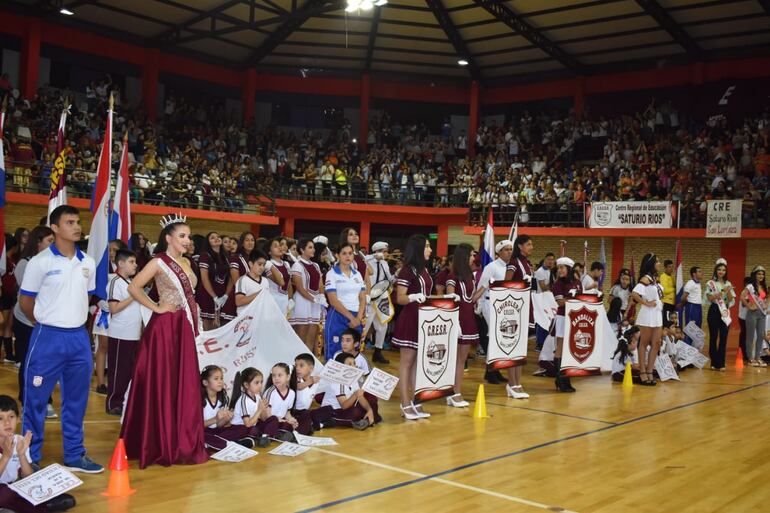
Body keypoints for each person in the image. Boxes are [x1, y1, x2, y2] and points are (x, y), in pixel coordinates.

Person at [18, 205, 103, 472]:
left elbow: (86, 297)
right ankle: (29, 457)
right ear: (54, 228)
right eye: (69, 222)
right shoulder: (39, 262)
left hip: (78, 338)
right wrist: (44, 322)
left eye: (78, 222)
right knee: (36, 401)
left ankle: (75, 455)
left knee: (76, 401)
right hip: (48, 337)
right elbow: (25, 301)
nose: (77, 227)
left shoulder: (87, 262)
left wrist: (72, 321)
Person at [121, 214, 209, 468]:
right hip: (165, 329)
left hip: (184, 326)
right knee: (162, 382)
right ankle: (157, 441)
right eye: (182, 236)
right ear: (168, 238)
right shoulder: (159, 262)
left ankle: (179, 439)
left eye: (189, 236)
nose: (187, 240)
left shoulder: (188, 263)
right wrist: (157, 307)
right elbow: (134, 287)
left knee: (182, 383)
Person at [0, 395, 76, 513]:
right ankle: (45, 506)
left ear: (18, 419)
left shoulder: (19, 440)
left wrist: (21, 455)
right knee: (5, 495)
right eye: (0, 418)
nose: (7, 422)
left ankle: (38, 502)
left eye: (11, 416)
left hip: (11, 486)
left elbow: (27, 476)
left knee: (33, 483)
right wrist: (5, 457)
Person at [12, 226, 55, 419]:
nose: (53, 245)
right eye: (49, 241)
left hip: (46, 321)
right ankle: (27, 399)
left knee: (46, 364)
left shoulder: (54, 263)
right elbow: (28, 297)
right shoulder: (25, 263)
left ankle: (45, 399)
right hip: (26, 320)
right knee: (29, 363)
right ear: (38, 242)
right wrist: (34, 319)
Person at [392, 234, 433, 421]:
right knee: (406, 363)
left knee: (418, 364)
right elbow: (400, 298)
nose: (430, 250)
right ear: (417, 249)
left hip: (424, 321)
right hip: (410, 319)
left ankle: (416, 401)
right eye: (426, 246)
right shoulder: (407, 271)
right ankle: (405, 402)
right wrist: (413, 297)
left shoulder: (424, 270)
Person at [105, 249, 141, 415]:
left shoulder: (130, 283)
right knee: (118, 371)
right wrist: (134, 296)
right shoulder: (115, 282)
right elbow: (114, 308)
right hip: (120, 334)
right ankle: (113, 403)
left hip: (133, 334)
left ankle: (125, 402)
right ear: (120, 263)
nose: (135, 265)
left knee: (128, 371)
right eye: (132, 262)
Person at [445, 243, 480, 408]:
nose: (474, 258)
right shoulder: (452, 276)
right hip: (457, 320)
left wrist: (486, 286)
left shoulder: (470, 276)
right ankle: (454, 393)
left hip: (468, 318)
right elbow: (450, 297)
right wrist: (454, 321)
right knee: (455, 359)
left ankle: (455, 392)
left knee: (462, 360)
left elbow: (471, 298)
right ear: (464, 256)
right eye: (472, 255)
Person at [502, 234, 536, 399]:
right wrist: (521, 284)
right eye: (529, 244)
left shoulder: (527, 263)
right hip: (514, 310)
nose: (531, 247)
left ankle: (517, 383)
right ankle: (511, 383)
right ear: (520, 246)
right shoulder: (514, 263)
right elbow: (505, 285)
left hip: (526, 306)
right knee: (512, 346)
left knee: (521, 348)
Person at [476, 239, 513, 385]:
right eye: (506, 249)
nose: (509, 252)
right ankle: (491, 371)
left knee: (499, 337)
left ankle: (493, 370)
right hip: (489, 303)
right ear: (499, 252)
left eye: (511, 249)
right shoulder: (491, 267)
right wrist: (479, 305)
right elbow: (481, 286)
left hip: (503, 306)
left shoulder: (510, 267)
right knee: (494, 336)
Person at [200, 365, 259, 450]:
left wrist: (226, 419)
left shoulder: (222, 398)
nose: (220, 382)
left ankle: (216, 444)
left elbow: (219, 425)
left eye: (221, 378)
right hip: (204, 432)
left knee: (242, 429)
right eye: (216, 379)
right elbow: (196, 426)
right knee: (203, 436)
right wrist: (215, 419)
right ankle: (234, 444)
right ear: (205, 382)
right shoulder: (200, 400)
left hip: (217, 432)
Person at [324, 243, 366, 361]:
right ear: (337, 255)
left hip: (356, 317)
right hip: (338, 317)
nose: (348, 256)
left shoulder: (357, 274)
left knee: (353, 353)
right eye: (344, 253)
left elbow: (362, 298)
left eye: (350, 253)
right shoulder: (331, 274)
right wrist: (351, 318)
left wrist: (358, 317)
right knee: (334, 352)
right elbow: (333, 300)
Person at [321, 352, 379, 429]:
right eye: (350, 364)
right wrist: (355, 395)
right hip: (333, 411)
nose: (354, 366)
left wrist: (369, 410)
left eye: (354, 363)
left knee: (372, 403)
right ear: (341, 367)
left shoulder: (353, 379)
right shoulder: (338, 382)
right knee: (355, 412)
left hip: (347, 407)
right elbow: (344, 406)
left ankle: (366, 419)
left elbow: (360, 398)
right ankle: (366, 420)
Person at [631, 253, 664, 386]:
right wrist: (646, 303)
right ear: (651, 263)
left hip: (657, 314)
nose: (659, 263)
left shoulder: (655, 278)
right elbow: (634, 293)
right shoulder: (646, 278)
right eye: (657, 261)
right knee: (644, 342)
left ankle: (650, 371)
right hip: (648, 314)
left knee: (656, 343)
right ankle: (642, 372)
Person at [551, 257, 582, 392]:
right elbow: (560, 303)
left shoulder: (577, 282)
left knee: (569, 349)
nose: (560, 270)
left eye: (562, 267)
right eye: (559, 268)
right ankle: (561, 379)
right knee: (560, 348)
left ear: (569, 268)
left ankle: (565, 378)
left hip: (574, 318)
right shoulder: (558, 284)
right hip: (563, 317)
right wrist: (573, 299)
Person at [229, 367, 281, 446]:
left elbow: (263, 418)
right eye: (256, 383)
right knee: (252, 430)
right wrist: (259, 410)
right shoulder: (243, 400)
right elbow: (248, 424)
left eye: (261, 382)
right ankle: (266, 436)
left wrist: (264, 408)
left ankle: (264, 437)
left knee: (273, 419)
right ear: (246, 385)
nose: (260, 385)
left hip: (253, 425)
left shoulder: (257, 396)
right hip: (241, 427)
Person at [290, 239, 326, 352]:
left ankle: (308, 362)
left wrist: (322, 296)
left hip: (315, 303)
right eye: (310, 247)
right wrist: (314, 299)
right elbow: (300, 288)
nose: (313, 249)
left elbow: (321, 284)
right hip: (302, 302)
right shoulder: (297, 265)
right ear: (302, 249)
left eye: (313, 247)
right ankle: (297, 362)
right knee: (301, 336)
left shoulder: (315, 265)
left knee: (312, 336)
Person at [363, 241, 395, 364]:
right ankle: (357, 350)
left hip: (381, 297)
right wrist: (373, 256)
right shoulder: (367, 261)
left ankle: (378, 351)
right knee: (366, 324)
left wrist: (396, 275)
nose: (387, 254)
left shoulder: (385, 263)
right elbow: (361, 257)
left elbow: (388, 279)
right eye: (384, 251)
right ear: (378, 251)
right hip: (368, 297)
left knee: (383, 325)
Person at [263, 363, 311, 437]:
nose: (276, 378)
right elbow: (266, 415)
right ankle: (281, 434)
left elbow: (287, 413)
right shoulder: (270, 392)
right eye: (274, 375)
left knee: (300, 418)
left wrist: (291, 419)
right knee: (283, 425)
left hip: (281, 421)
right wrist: (280, 420)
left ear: (288, 377)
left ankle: (293, 434)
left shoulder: (291, 393)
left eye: (280, 375)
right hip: (270, 421)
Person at [704, 258, 735, 371]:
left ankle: (721, 363)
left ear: (726, 272)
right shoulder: (710, 283)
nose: (721, 271)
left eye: (723, 270)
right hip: (714, 310)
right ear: (716, 271)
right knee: (713, 337)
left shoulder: (728, 283)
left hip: (724, 311)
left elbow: (731, 300)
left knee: (724, 337)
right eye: (719, 269)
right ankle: (714, 362)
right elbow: (709, 297)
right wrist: (722, 292)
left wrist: (729, 291)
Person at [291, 353, 335, 432]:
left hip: (306, 412)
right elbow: (299, 386)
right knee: (305, 415)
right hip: (294, 413)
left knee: (329, 409)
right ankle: (317, 424)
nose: (297, 368)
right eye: (295, 365)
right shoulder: (294, 379)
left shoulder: (316, 380)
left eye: (301, 365)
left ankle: (315, 424)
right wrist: (310, 381)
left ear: (311, 368)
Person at [197, 231, 231, 330]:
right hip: (206, 294)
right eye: (212, 238)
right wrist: (214, 297)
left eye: (218, 236)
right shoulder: (205, 255)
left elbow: (230, 278)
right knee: (206, 324)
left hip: (221, 295)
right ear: (208, 242)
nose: (216, 238)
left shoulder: (226, 257)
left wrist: (226, 295)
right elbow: (204, 278)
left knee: (217, 326)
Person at [740, 266, 767, 367]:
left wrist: (766, 305)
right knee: (750, 336)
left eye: (762, 274)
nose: (761, 276)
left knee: (760, 336)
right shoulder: (750, 286)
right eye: (759, 274)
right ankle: (750, 358)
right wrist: (749, 306)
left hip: (762, 314)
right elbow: (742, 297)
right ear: (755, 275)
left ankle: (757, 357)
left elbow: (766, 298)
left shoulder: (763, 286)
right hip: (752, 314)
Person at [227, 231, 257, 316]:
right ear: (242, 243)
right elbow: (236, 282)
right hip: (239, 296)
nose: (250, 242)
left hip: (253, 298)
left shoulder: (256, 259)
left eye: (252, 240)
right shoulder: (235, 258)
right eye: (247, 240)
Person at [1, 234, 19, 363]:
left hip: (10, 296)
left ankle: (8, 353)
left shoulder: (11, 260)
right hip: (4, 296)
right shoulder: (4, 262)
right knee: (2, 324)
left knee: (8, 325)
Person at [234, 249, 269, 316]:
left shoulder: (265, 281)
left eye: (264, 265)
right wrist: (259, 294)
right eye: (259, 264)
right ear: (251, 264)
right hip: (246, 319)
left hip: (260, 317)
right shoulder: (242, 280)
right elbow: (238, 302)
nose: (262, 267)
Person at [264, 237, 293, 317]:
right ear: (269, 252)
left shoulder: (286, 264)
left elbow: (289, 284)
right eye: (275, 246)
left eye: (280, 245)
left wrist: (290, 298)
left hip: (285, 300)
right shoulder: (268, 265)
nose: (280, 248)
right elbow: (280, 282)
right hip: (273, 299)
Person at [533, 252, 555, 350]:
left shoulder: (551, 271)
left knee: (548, 322)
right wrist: (554, 283)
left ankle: (545, 342)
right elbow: (543, 287)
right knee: (541, 322)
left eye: (552, 260)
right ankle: (539, 343)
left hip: (549, 300)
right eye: (549, 259)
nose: (550, 261)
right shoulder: (540, 271)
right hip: (541, 299)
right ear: (545, 259)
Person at [677, 266, 703, 345]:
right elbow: (683, 297)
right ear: (694, 274)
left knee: (697, 329)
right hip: (692, 307)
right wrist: (683, 304)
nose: (702, 273)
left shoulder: (698, 283)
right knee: (690, 330)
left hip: (698, 307)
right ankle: (685, 353)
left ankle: (693, 351)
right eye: (699, 271)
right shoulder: (690, 283)